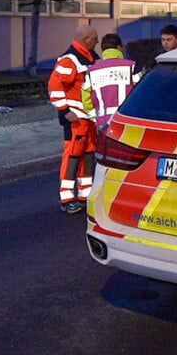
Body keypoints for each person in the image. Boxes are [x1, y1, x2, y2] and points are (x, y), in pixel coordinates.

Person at [48, 24, 100, 214]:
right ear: (86, 40)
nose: (97, 41)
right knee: (72, 157)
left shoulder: (91, 58)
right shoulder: (70, 60)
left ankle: (84, 195)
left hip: (88, 120)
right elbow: (54, 87)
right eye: (95, 38)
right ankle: (67, 197)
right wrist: (65, 111)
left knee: (87, 156)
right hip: (75, 120)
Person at [84, 33, 141, 131]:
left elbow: (86, 98)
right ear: (119, 47)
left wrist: (94, 118)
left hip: (103, 123)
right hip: (127, 121)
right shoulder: (131, 66)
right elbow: (141, 91)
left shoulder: (92, 71)